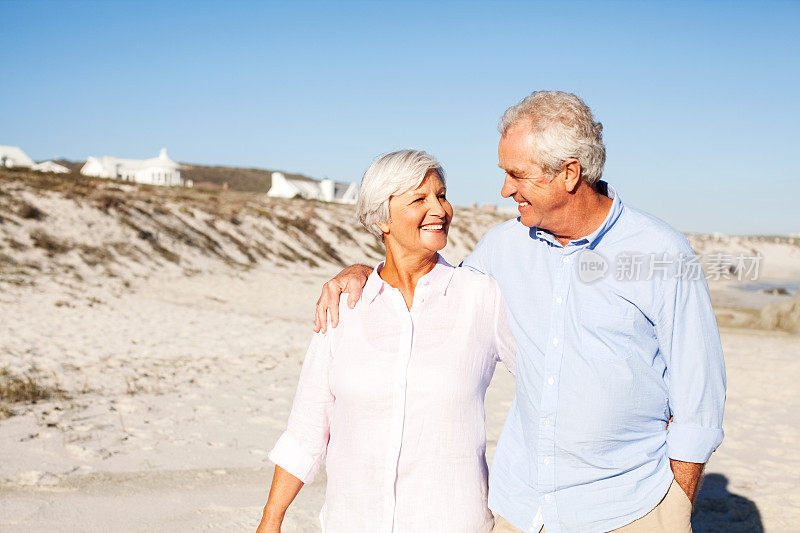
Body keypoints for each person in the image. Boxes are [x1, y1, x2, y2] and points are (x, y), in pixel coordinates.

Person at [314, 91, 726, 532]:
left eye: (517, 174)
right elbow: (435, 296)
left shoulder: (661, 252)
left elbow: (699, 400)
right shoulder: (502, 247)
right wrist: (365, 271)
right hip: (521, 508)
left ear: (569, 173)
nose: (505, 189)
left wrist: (675, 505)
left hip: (628, 508)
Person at [255, 150, 516, 533]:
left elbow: (544, 384)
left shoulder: (483, 296)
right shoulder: (343, 305)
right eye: (419, 199)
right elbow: (306, 430)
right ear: (381, 219)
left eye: (441, 195)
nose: (440, 209)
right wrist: (271, 519)